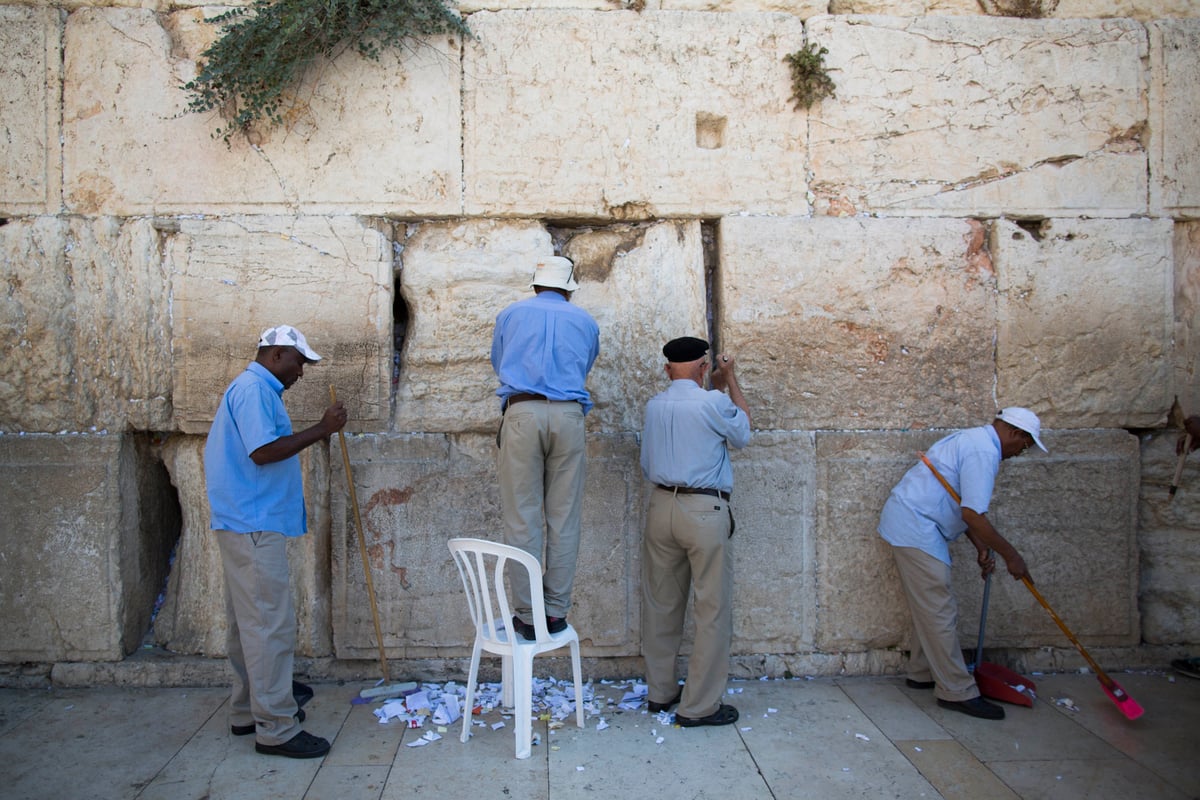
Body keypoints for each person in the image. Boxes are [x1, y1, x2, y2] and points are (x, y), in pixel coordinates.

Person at [203, 324, 348, 758]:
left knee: (249, 623)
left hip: (246, 519)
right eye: (299, 362)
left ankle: (249, 711)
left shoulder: (255, 389)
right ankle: (277, 728)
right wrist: (322, 429)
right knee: (269, 626)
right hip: (251, 522)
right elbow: (263, 452)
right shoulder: (253, 390)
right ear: (277, 354)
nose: (301, 372)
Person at [878, 407, 1047, 720]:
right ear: (1014, 433)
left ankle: (922, 671)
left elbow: (958, 498)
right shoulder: (983, 450)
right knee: (940, 608)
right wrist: (1013, 556)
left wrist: (980, 545)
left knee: (929, 606)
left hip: (913, 522)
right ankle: (956, 691)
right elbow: (972, 513)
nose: (1019, 453)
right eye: (1024, 446)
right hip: (916, 526)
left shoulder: (973, 440)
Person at [639, 336, 751, 727]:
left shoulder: (655, 406)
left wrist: (713, 384)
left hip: (660, 506)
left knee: (660, 605)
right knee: (711, 608)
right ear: (704, 368)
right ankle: (699, 706)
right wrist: (731, 379)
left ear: (667, 368)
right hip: (703, 509)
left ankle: (660, 692)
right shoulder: (714, 402)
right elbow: (743, 433)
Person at [491, 256, 600, 641]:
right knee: (564, 517)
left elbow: (498, 362)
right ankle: (555, 611)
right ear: (569, 287)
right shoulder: (585, 321)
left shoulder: (510, 315)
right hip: (569, 416)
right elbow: (585, 365)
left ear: (535, 284)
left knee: (522, 518)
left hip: (522, 412)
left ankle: (528, 614)